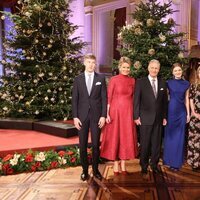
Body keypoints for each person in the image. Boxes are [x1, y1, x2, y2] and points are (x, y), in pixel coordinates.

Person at [72, 54, 107, 181]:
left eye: (93, 62)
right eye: (89, 62)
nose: (91, 65)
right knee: (82, 144)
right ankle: (85, 170)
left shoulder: (101, 78)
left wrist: (103, 116)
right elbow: (74, 100)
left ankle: (96, 170)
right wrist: (75, 117)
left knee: (96, 144)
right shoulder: (78, 79)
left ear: (95, 64)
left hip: (96, 117)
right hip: (82, 117)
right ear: (84, 63)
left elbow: (104, 98)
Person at [100, 57, 138, 175]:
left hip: (128, 112)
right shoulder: (114, 80)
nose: (126, 69)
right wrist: (106, 114)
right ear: (119, 67)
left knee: (125, 138)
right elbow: (109, 97)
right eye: (124, 67)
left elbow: (134, 98)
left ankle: (123, 164)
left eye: (128, 67)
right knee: (115, 137)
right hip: (115, 112)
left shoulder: (132, 80)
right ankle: (116, 165)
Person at [134, 59, 168, 175]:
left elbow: (164, 102)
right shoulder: (140, 82)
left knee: (156, 144)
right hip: (144, 118)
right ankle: (143, 165)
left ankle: (154, 164)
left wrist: (164, 116)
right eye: (152, 68)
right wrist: (136, 116)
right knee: (145, 143)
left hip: (158, 119)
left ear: (159, 70)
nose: (154, 70)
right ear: (148, 68)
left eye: (156, 68)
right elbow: (136, 100)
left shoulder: (163, 82)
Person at [163, 63, 190, 171]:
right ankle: (168, 161)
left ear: (181, 71)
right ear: (172, 72)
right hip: (171, 111)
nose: (178, 72)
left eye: (179, 70)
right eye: (175, 71)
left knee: (179, 137)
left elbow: (187, 99)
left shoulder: (186, 83)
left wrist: (188, 114)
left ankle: (176, 163)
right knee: (170, 136)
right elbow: (165, 98)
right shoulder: (168, 83)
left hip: (181, 112)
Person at [187, 66, 200, 172]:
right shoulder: (194, 86)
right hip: (195, 117)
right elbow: (190, 99)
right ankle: (194, 163)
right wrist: (194, 113)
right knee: (195, 140)